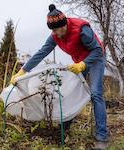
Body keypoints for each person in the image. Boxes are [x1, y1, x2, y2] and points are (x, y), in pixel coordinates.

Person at [11, 4, 109, 149]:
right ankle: (65, 127)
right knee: (71, 92)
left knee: (95, 93)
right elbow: (42, 52)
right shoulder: (55, 36)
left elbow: (97, 51)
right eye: (52, 31)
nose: (55, 33)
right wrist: (23, 70)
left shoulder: (82, 30)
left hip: (95, 59)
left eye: (56, 30)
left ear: (64, 25)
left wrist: (83, 64)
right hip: (78, 61)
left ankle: (102, 136)